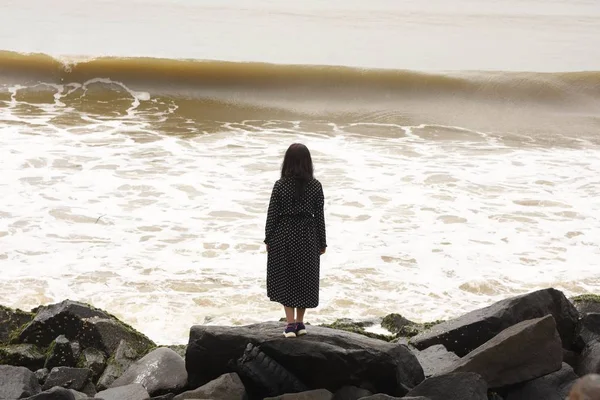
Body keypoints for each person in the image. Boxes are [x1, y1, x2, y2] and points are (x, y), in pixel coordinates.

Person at [264, 143, 327, 338]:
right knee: (305, 277)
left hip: (284, 234)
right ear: (308, 163)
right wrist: (322, 242)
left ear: (287, 162)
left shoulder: (280, 185)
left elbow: (272, 214)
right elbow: (320, 216)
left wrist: (268, 238)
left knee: (286, 277)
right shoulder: (315, 186)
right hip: (308, 235)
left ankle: (290, 324)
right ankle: (300, 322)